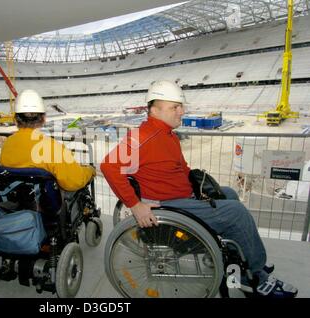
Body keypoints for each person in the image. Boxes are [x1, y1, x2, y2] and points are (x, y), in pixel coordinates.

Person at [100, 80, 298, 298]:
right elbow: (108, 166)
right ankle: (255, 274)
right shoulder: (142, 138)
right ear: (154, 109)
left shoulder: (167, 135)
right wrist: (135, 205)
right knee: (237, 213)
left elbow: (180, 168)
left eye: (181, 106)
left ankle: (240, 258)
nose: (181, 111)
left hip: (182, 197)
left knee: (228, 194)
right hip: (169, 207)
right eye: (174, 107)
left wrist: (198, 188)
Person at [0, 89, 95, 192]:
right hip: (45, 206)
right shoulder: (51, 148)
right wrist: (90, 171)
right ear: (43, 119)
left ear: (16, 119)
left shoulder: (7, 144)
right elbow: (74, 181)